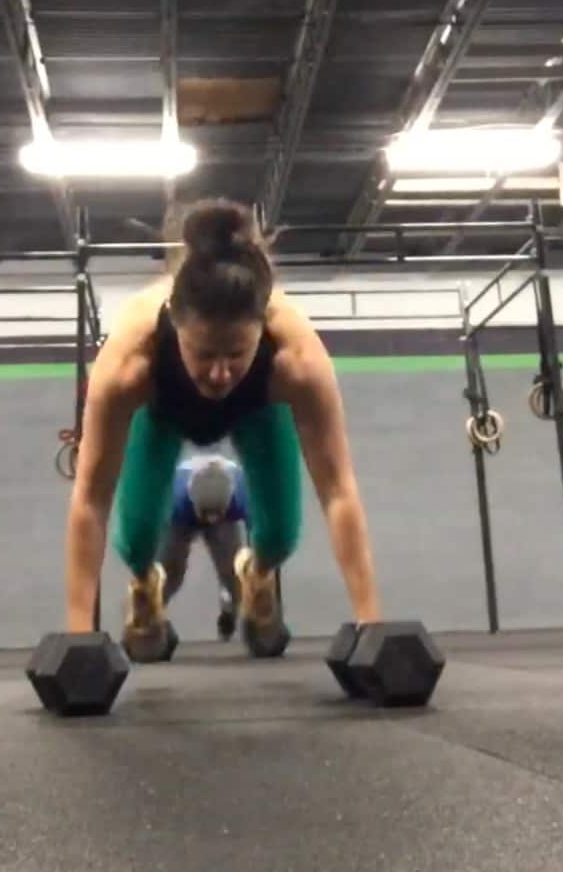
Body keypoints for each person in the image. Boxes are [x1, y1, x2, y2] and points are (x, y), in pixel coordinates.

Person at [65, 197, 382, 659]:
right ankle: (146, 586)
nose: (219, 373)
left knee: (280, 535)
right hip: (162, 411)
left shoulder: (296, 360)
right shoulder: (131, 361)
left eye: (236, 354)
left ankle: (256, 575)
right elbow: (91, 500)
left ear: (260, 331)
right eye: (204, 354)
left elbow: (338, 491)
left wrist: (371, 624)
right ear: (176, 327)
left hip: (256, 409)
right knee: (135, 541)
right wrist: (77, 639)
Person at [159, 454, 249, 641]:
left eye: (216, 514)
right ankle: (153, 612)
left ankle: (231, 606)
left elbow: (263, 540)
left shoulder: (244, 494)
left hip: (225, 513)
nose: (211, 520)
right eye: (206, 515)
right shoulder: (171, 499)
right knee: (169, 572)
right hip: (181, 518)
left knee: (236, 574)